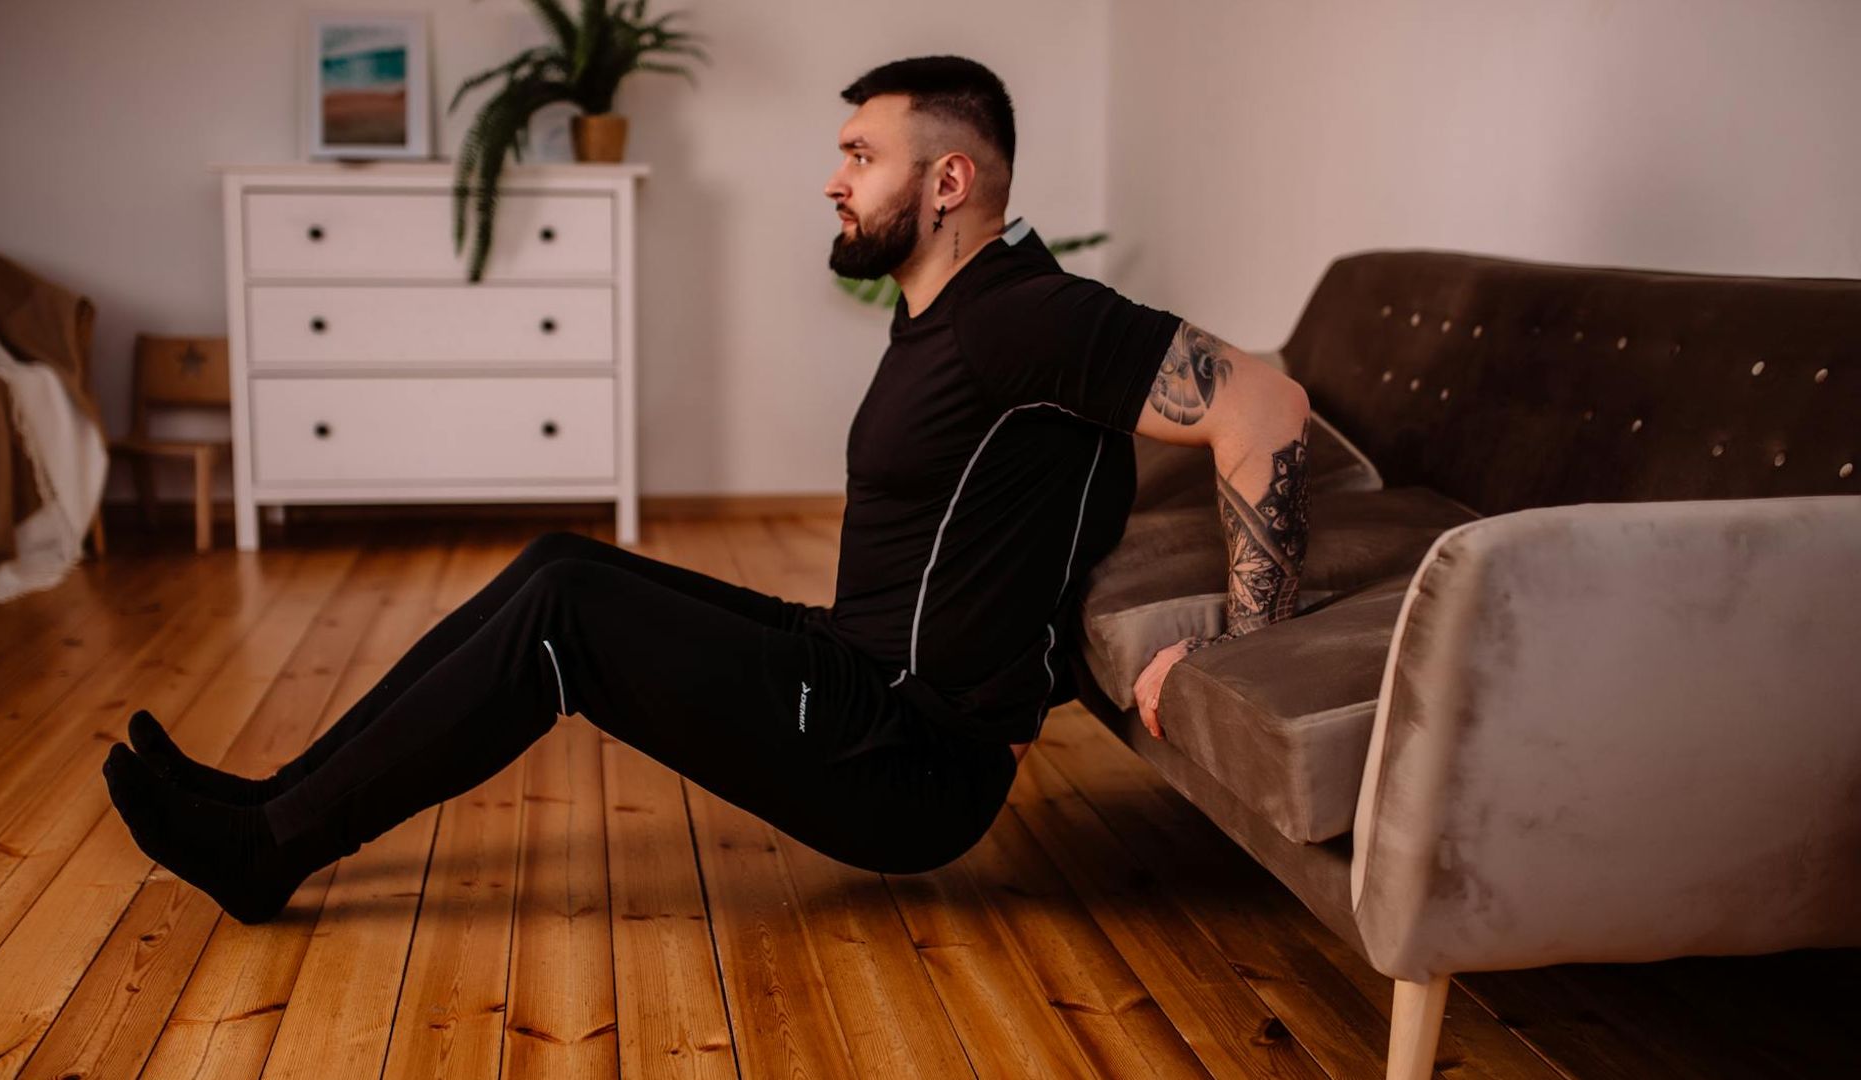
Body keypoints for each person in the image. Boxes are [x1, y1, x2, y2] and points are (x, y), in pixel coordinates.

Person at [101, 54, 1311, 926]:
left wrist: (1248, 652)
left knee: (567, 615)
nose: (834, 180)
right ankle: (272, 802)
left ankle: (269, 848)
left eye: (860, 157)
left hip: (910, 758)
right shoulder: (958, 314)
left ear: (948, 182)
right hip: (858, 670)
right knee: (560, 565)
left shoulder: (1024, 314)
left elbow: (1264, 405)